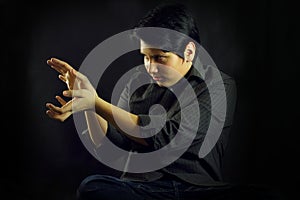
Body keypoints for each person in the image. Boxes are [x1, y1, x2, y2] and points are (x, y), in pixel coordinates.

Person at [46, 3, 239, 200]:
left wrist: (96, 103)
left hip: (196, 189)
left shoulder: (218, 86)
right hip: (142, 188)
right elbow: (108, 144)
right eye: (146, 57)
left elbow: (166, 137)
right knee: (92, 187)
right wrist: (87, 102)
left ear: (188, 52)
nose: (151, 67)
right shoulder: (136, 81)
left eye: (160, 58)